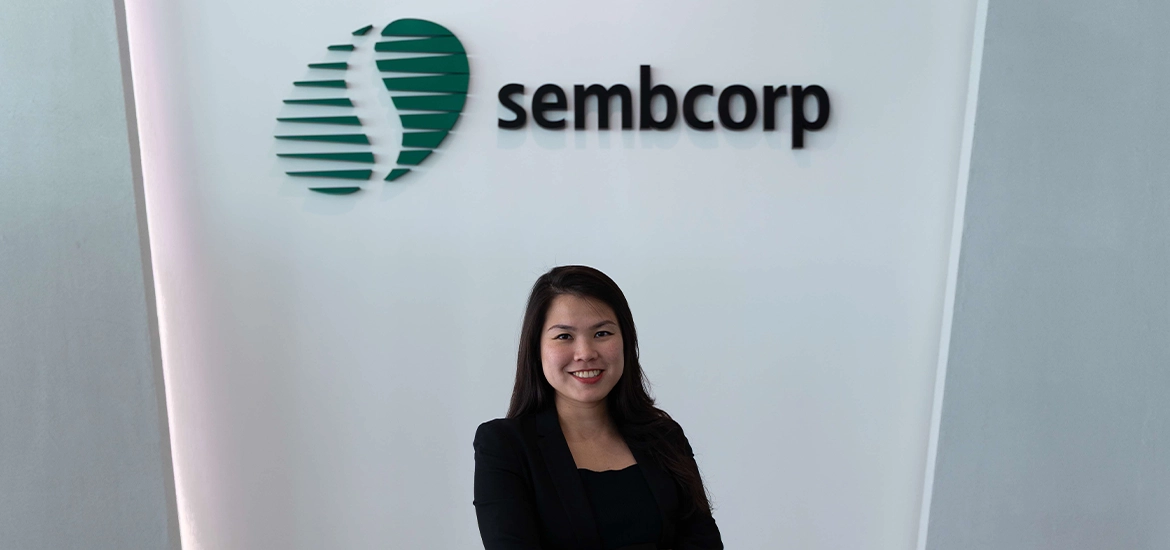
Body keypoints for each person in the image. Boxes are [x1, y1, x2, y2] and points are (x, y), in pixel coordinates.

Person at [473, 265, 723, 550]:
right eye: (564, 336)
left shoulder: (664, 437)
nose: (585, 353)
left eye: (602, 333)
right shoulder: (505, 446)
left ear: (626, 341)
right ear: (536, 348)